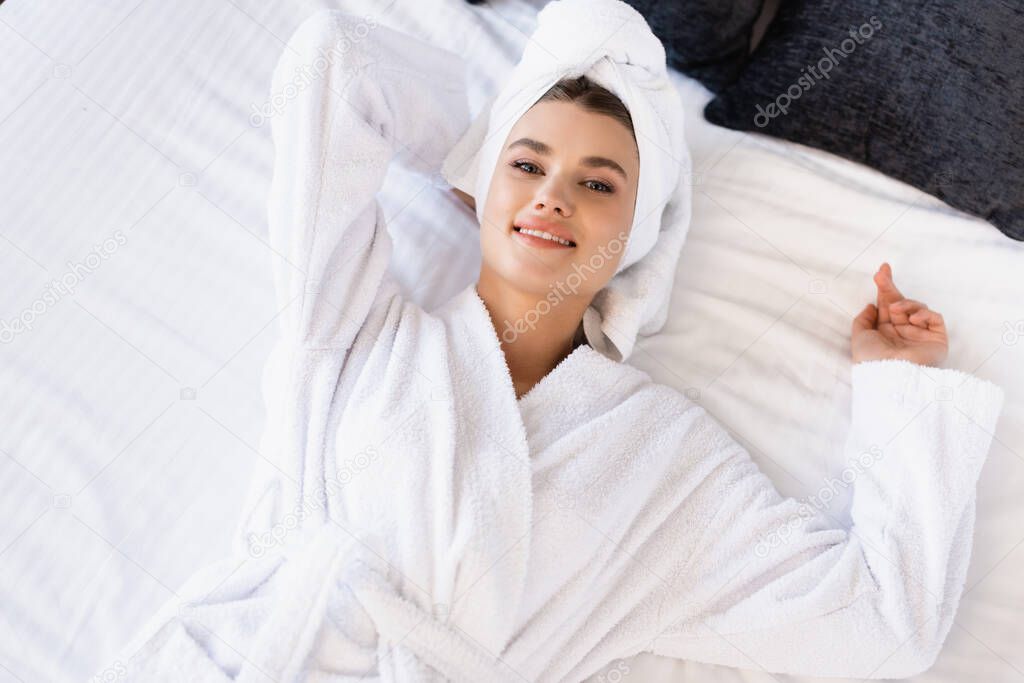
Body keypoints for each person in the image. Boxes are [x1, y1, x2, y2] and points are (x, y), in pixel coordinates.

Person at [108, 4, 1004, 682]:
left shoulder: (666, 463)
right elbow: (331, 60)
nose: (552, 195)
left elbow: (885, 626)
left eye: (598, 182)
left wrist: (898, 396)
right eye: (527, 164)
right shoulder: (351, 325)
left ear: (638, 232)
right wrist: (462, 154)